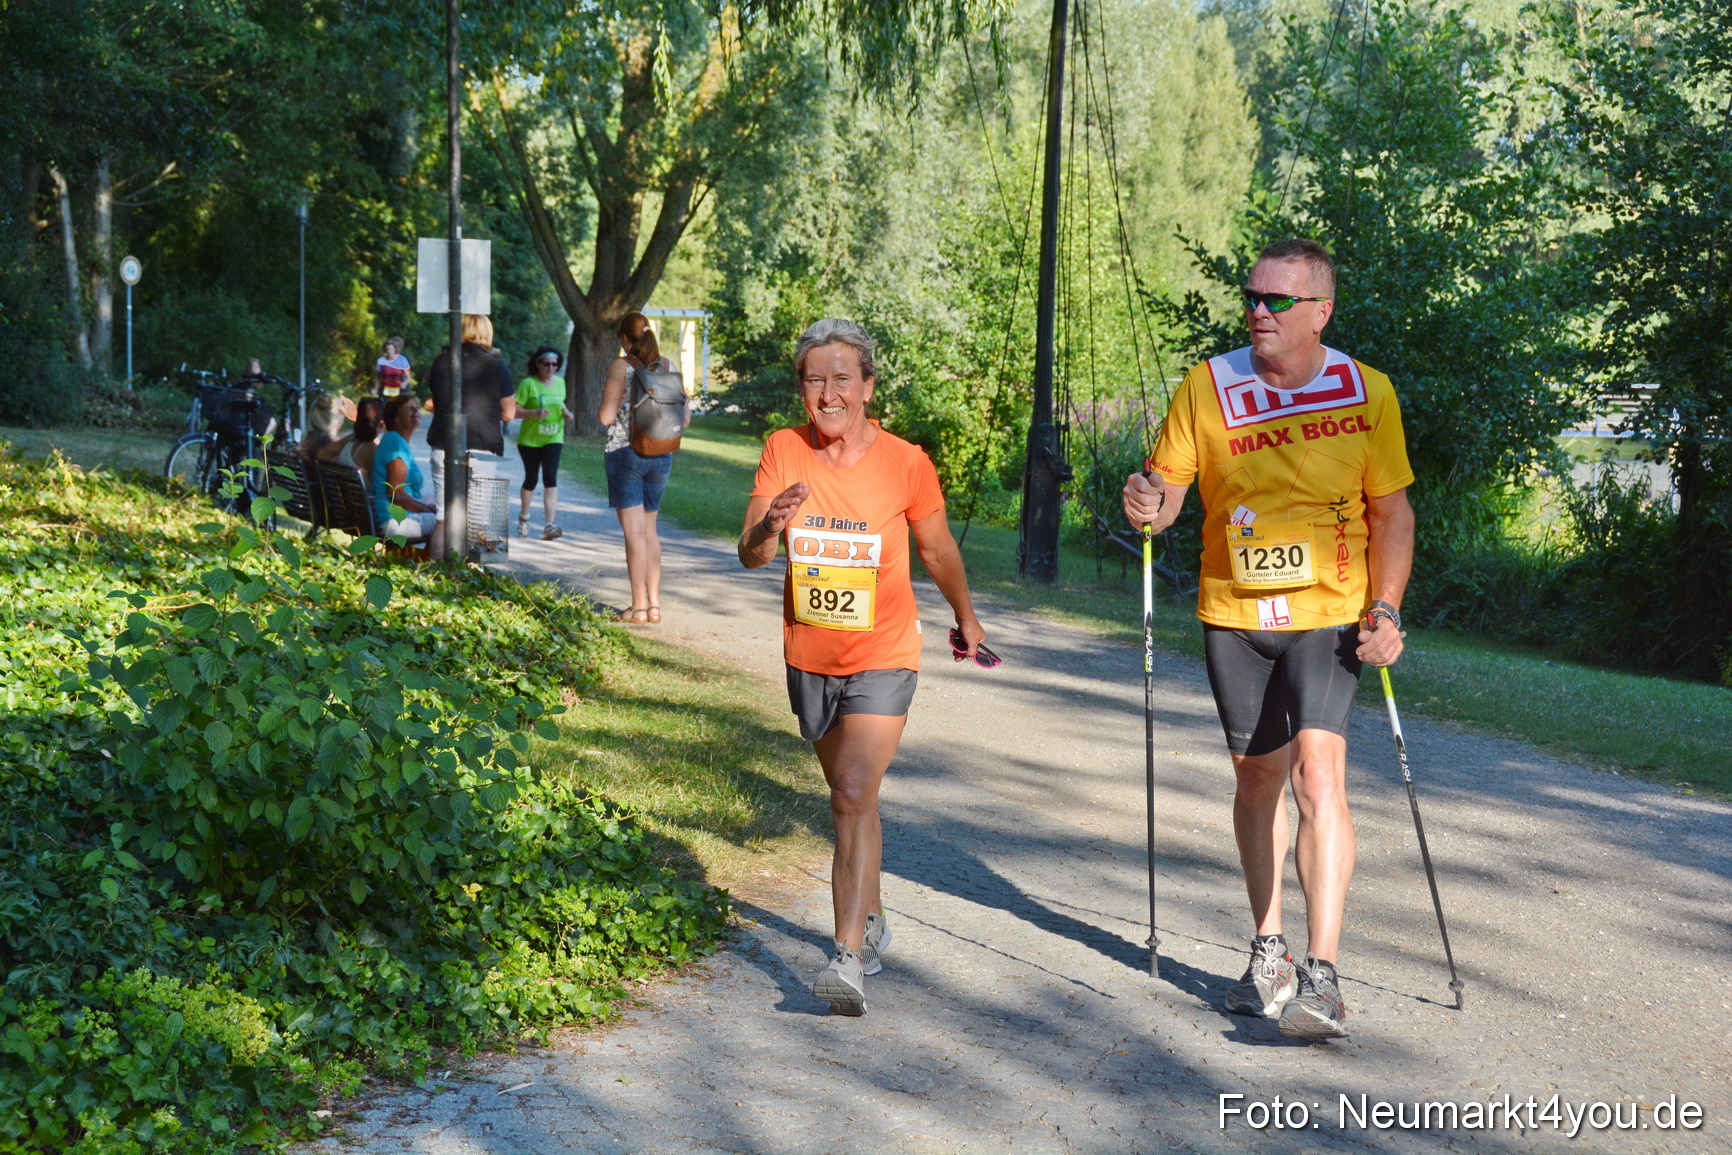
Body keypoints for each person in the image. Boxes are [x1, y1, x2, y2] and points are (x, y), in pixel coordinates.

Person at [1121, 238, 1414, 1039]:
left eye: (1277, 300)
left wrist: (1386, 609)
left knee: (1319, 776)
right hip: (1235, 614)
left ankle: (1324, 974)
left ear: (1321, 312)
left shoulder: (1367, 391)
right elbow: (1165, 494)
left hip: (1329, 613)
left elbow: (1393, 513)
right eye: (1251, 296)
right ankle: (1269, 952)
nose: (1258, 310)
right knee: (1258, 781)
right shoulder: (1208, 386)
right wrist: (1146, 501)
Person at [739, 318, 988, 1017]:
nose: (827, 393)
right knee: (853, 797)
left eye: (841, 378)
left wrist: (966, 617)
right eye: (814, 380)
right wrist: (770, 524)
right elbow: (750, 553)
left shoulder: (906, 462)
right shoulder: (783, 449)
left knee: (851, 789)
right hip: (810, 655)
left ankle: (846, 955)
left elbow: (937, 550)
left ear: (868, 386)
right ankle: (872, 915)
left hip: (884, 652)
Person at [597, 315, 682, 623]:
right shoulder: (668, 366)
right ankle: (654, 605)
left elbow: (606, 417)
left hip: (626, 454)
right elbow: (684, 418)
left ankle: (638, 607)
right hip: (661, 453)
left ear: (624, 339)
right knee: (650, 531)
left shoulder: (622, 366)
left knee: (634, 533)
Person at [424, 313, 517, 546]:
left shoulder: (441, 361)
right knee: (478, 522)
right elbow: (509, 413)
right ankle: (471, 568)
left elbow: (434, 401)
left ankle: (437, 568)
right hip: (482, 446)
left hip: (443, 443)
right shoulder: (496, 366)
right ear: (487, 333)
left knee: (443, 518)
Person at [515, 345, 575, 541]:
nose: (551, 368)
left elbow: (559, 402)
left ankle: (550, 524)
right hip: (530, 440)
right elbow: (514, 410)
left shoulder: (560, 383)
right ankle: (524, 518)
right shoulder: (528, 384)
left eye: (555, 365)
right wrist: (533, 413)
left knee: (550, 477)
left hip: (553, 437)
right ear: (538, 364)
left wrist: (566, 413)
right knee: (531, 479)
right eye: (546, 364)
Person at [372, 394, 440, 551]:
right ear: (396, 418)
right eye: (410, 407)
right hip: (393, 521)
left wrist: (429, 505)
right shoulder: (395, 443)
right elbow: (395, 493)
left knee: (443, 507)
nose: (416, 410)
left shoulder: (395, 440)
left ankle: (426, 559)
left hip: (394, 516)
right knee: (454, 523)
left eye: (417, 406)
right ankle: (438, 561)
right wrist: (429, 509)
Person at [320, 395, 384, 478]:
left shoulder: (348, 442)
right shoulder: (372, 449)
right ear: (381, 424)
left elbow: (321, 455)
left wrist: (341, 466)